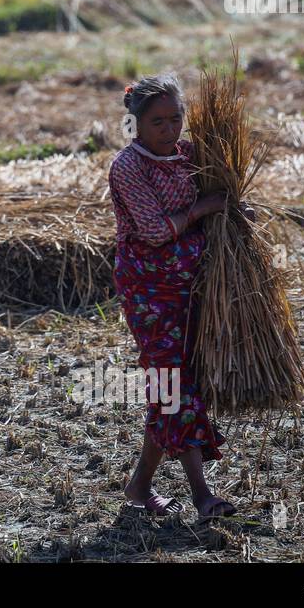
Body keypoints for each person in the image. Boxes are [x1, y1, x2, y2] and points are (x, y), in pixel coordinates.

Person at [107, 73, 248, 519]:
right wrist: (203, 209)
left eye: (176, 119)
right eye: (158, 123)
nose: (170, 130)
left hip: (196, 285)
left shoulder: (191, 156)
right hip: (149, 291)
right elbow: (150, 231)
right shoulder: (127, 167)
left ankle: (139, 486)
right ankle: (202, 495)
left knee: (173, 386)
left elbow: (227, 198)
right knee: (173, 383)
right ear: (136, 125)